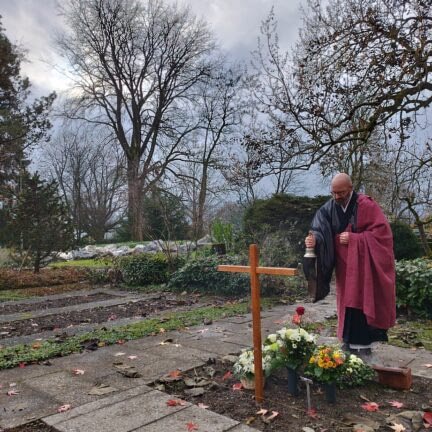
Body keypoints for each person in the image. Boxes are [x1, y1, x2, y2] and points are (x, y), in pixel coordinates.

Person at [304, 173, 396, 360]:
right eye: (334, 193)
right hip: (344, 266)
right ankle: (347, 339)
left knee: (362, 299)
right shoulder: (329, 207)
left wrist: (356, 239)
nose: (337, 196)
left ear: (350, 189)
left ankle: (364, 343)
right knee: (346, 300)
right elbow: (319, 228)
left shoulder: (366, 205)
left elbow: (382, 234)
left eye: (341, 192)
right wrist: (313, 240)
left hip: (363, 265)